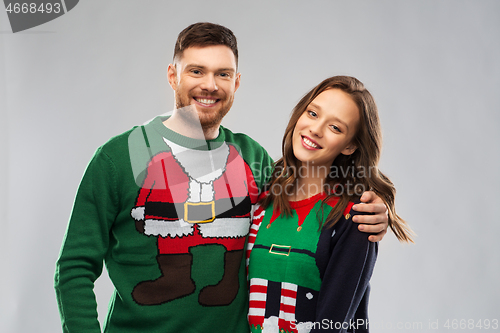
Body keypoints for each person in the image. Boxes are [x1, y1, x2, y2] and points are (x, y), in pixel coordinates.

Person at [54, 23, 389, 333]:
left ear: (236, 82)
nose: (210, 85)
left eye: (223, 74)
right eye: (196, 71)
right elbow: (74, 267)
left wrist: (375, 208)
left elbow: (308, 192)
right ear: (173, 75)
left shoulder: (252, 157)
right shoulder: (119, 157)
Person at [246, 76, 414, 333]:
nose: (315, 129)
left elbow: (332, 326)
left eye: (335, 127)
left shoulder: (355, 218)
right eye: (312, 113)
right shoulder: (260, 195)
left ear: (350, 146)